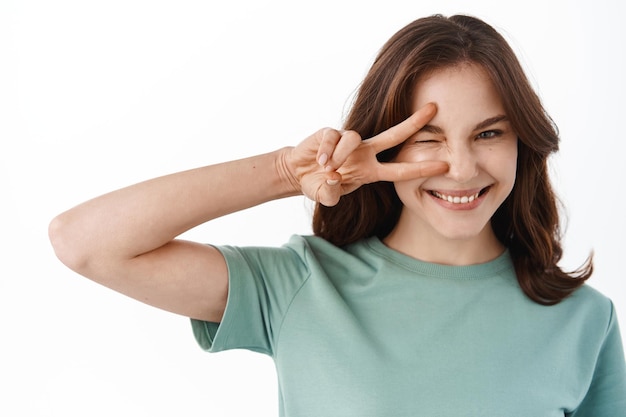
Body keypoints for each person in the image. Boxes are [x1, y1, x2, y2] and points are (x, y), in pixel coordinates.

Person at [49, 14, 626, 416]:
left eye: (489, 133)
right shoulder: (303, 285)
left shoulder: (583, 322)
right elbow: (84, 242)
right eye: (427, 137)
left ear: (523, 142)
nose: (460, 166)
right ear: (384, 144)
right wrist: (284, 171)